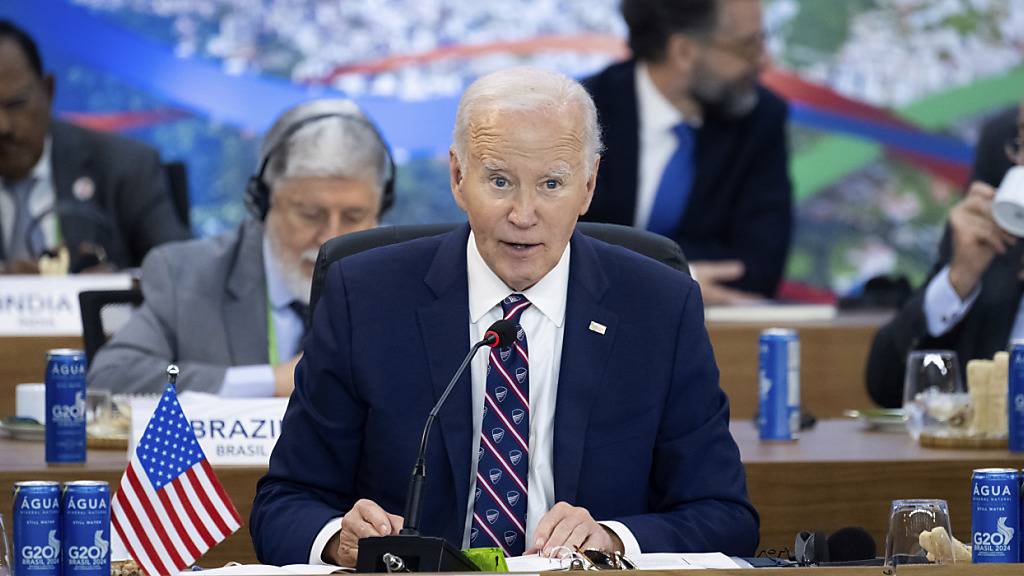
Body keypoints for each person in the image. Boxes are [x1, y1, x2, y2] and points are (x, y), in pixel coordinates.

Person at [250, 67, 757, 567]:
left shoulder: (658, 307)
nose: (523, 213)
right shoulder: (365, 298)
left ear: (588, 185)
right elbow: (284, 504)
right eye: (499, 181)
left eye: (552, 184)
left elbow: (725, 516)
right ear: (457, 177)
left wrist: (613, 539)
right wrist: (340, 538)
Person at [87, 98, 394, 397]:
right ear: (262, 202)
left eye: (354, 217)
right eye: (310, 214)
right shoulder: (185, 275)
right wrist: (270, 383)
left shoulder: (403, 284)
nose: (331, 237)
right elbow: (114, 376)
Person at [579, 0, 792, 304]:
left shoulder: (760, 118)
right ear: (683, 52)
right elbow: (559, 246)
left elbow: (759, 267)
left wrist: (621, 264)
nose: (764, 62)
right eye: (747, 46)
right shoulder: (584, 112)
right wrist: (682, 278)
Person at [0, 19, 189, 273]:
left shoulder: (126, 166)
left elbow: (183, 276)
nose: (3, 127)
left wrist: (111, 288)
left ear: (48, 90)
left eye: (16, 104)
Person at [866, 104, 1024, 408]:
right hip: (987, 456)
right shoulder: (997, 248)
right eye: (1021, 141)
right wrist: (958, 281)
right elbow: (886, 385)